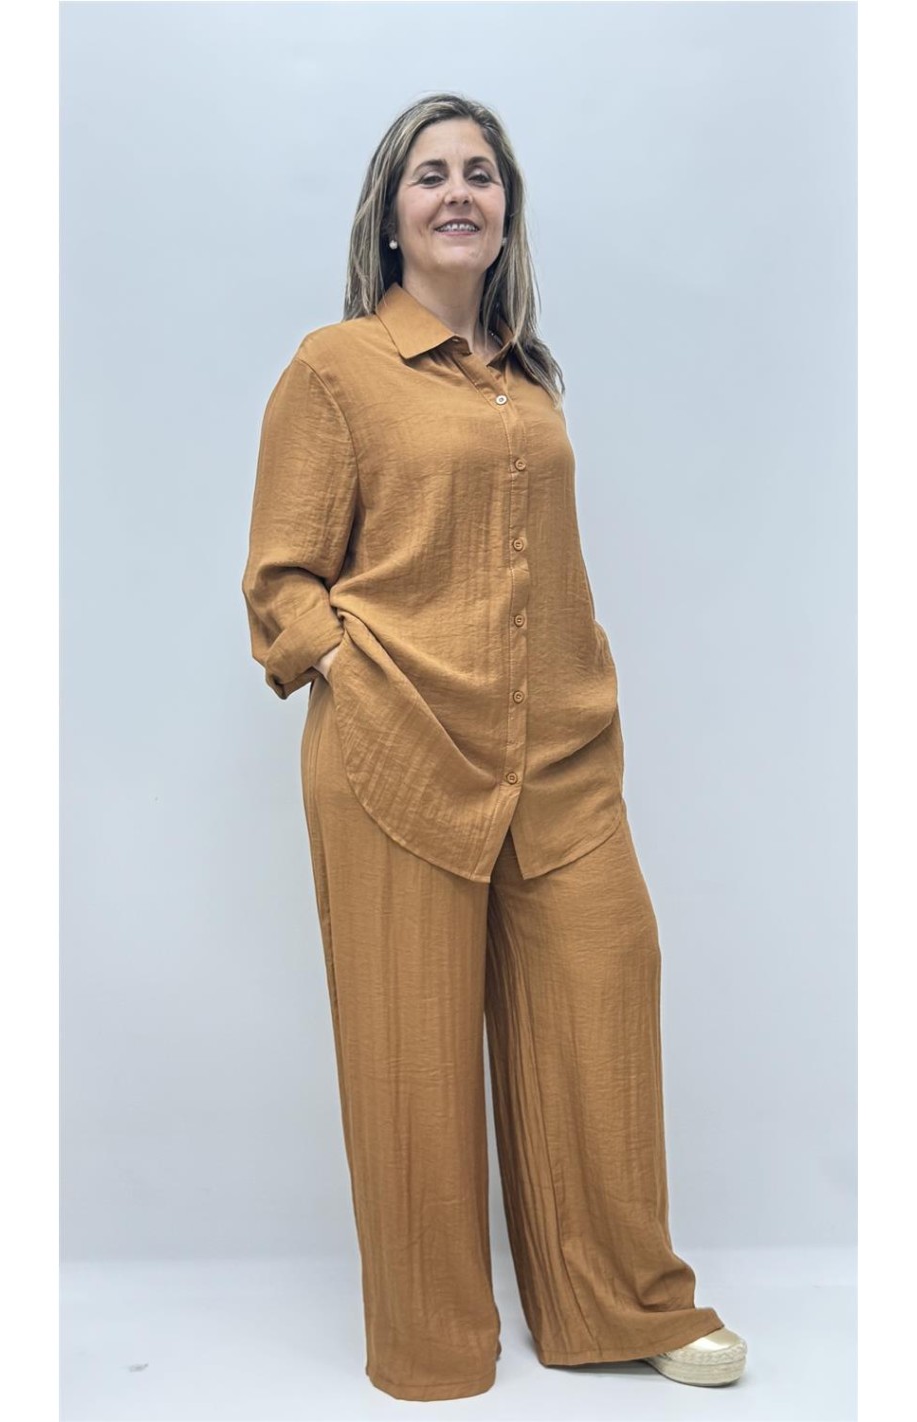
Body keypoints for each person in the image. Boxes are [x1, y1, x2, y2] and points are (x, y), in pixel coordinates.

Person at [242, 92, 747, 1403]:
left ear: (506, 211)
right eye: (431, 174)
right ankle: (435, 1343)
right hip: (396, 748)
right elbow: (281, 579)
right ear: (390, 215)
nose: (458, 191)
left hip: (560, 754)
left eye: (481, 172)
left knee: (604, 994)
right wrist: (351, 670)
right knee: (410, 1059)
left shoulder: (528, 379)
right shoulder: (336, 367)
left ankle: (618, 1305)